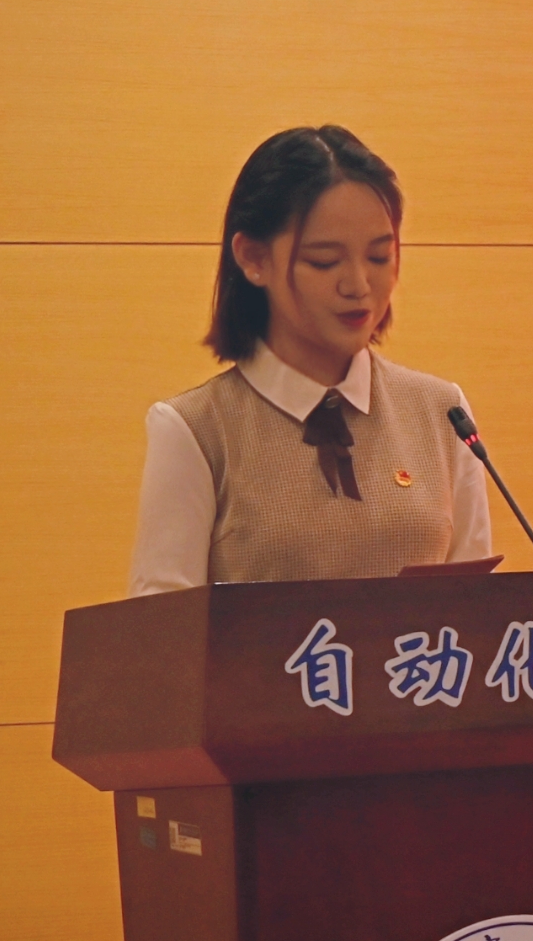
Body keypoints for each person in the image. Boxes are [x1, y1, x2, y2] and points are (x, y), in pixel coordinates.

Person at [128, 125, 493, 592]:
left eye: (379, 257)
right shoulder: (195, 429)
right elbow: (163, 625)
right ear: (253, 258)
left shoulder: (445, 414)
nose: (358, 285)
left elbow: (478, 614)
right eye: (325, 261)